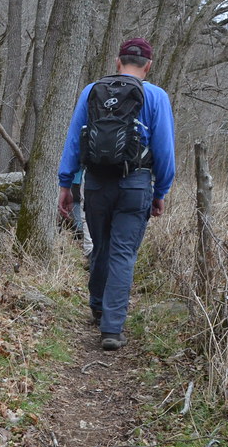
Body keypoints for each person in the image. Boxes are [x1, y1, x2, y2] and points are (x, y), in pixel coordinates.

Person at [57, 38, 176, 351]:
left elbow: (73, 140)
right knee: (123, 252)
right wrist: (160, 191)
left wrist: (65, 184)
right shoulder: (157, 96)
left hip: (95, 183)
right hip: (135, 184)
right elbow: (164, 150)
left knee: (101, 246)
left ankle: (97, 306)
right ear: (148, 66)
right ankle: (111, 328)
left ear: (117, 61)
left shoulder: (92, 90)